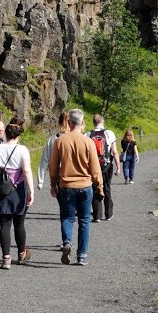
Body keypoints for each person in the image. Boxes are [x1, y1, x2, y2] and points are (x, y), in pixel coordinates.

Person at [49, 109, 103, 266]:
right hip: (85, 186)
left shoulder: (60, 141)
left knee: (67, 217)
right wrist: (99, 187)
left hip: (66, 185)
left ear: (68, 122)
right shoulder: (88, 142)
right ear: (82, 122)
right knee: (84, 220)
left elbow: (53, 167)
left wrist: (53, 184)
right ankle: (82, 256)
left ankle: (67, 242)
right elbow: (95, 169)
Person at [0, 120, 34, 269]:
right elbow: (26, 171)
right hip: (18, 189)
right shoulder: (22, 150)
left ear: (5, 134)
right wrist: (31, 190)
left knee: (4, 224)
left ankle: (6, 258)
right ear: (18, 136)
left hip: (0, 188)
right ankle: (21, 254)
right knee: (19, 223)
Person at [88, 114, 119, 221]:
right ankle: (108, 213)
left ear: (93, 122)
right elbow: (114, 152)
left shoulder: (88, 134)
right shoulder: (109, 133)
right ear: (103, 121)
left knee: (95, 188)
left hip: (93, 166)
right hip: (106, 165)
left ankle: (97, 216)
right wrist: (118, 167)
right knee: (106, 187)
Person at [37, 111, 69, 189]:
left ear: (59, 122)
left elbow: (45, 159)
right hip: (74, 177)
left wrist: (40, 181)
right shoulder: (75, 139)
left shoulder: (53, 139)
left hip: (59, 177)